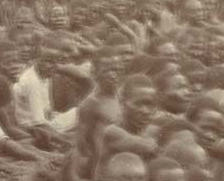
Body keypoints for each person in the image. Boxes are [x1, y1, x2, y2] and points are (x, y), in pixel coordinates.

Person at [62, 47, 125, 181]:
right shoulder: (91, 103)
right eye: (107, 70)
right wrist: (74, 176)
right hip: (104, 169)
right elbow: (79, 144)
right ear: (95, 72)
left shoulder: (121, 97)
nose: (113, 74)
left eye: (116, 69)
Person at [93, 74, 159, 180]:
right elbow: (149, 147)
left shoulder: (151, 132)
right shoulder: (112, 132)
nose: (145, 111)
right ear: (122, 103)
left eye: (150, 105)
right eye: (138, 104)